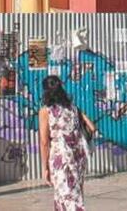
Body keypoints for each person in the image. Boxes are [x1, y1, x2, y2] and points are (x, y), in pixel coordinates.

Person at [39, 75, 96, 211]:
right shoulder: (73, 108)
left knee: (67, 197)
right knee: (73, 194)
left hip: (61, 156)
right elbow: (92, 127)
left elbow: (44, 142)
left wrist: (45, 167)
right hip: (78, 155)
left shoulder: (45, 111)